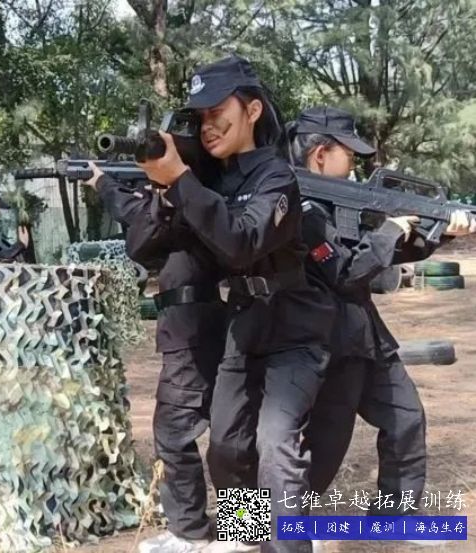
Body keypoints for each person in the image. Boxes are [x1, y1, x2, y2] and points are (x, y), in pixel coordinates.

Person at [116, 55, 335, 553]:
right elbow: (146, 248)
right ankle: (248, 533)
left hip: (293, 331)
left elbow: (241, 241)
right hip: (242, 327)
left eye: (218, 111)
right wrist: (165, 190)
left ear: (252, 111)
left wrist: (183, 182)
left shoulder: (276, 177)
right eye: (200, 117)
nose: (208, 125)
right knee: (228, 446)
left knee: (274, 443)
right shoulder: (207, 181)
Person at [288, 106, 476, 513]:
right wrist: (390, 231)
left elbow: (382, 254)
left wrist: (440, 231)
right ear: (319, 154)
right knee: (313, 447)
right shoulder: (299, 209)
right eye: (348, 154)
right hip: (320, 343)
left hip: (363, 337)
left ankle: (395, 513)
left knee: (405, 417)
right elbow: (345, 271)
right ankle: (250, 526)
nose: (354, 164)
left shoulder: (339, 204)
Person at [86, 144, 227, 551]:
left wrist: (150, 190)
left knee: (177, 433)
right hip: (203, 328)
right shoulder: (197, 199)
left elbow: (140, 235)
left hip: (193, 331)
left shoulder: (191, 201)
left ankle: (193, 531)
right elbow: (137, 217)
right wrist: (104, 182)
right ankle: (239, 531)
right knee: (231, 436)